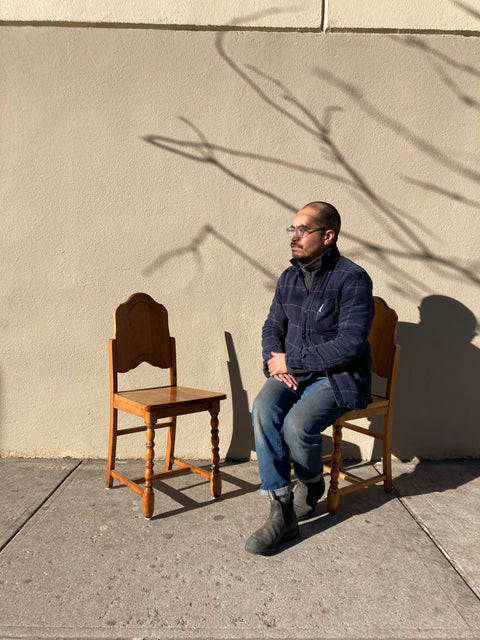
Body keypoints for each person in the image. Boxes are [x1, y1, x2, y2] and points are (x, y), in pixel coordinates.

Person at [245, 201, 374, 555]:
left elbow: (348, 345)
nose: (293, 236)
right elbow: (273, 326)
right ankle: (282, 509)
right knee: (263, 407)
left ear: (328, 236)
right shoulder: (289, 277)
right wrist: (274, 363)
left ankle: (312, 482)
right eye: (292, 229)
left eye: (303, 230)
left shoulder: (353, 279)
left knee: (296, 426)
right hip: (293, 373)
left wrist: (292, 361)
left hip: (339, 376)